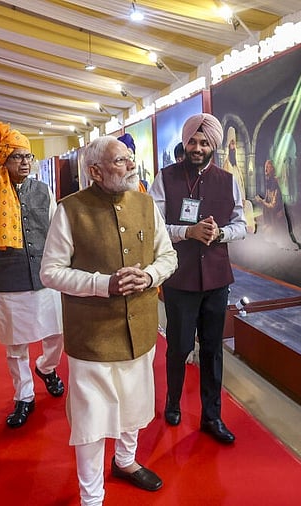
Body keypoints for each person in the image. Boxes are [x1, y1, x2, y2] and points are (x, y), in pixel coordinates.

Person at [40, 135, 176, 506]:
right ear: (95, 171)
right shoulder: (70, 210)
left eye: (130, 158)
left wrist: (149, 277)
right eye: (121, 160)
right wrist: (103, 284)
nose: (131, 165)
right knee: (91, 421)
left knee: (134, 405)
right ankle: (91, 498)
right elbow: (50, 272)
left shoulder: (147, 204)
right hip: (92, 336)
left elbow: (168, 256)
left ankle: (126, 461)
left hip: (141, 329)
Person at [148, 113, 247, 444]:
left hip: (217, 279)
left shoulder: (228, 180)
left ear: (213, 146)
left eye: (204, 143)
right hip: (180, 278)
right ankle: (173, 403)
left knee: (212, 350)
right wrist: (187, 231)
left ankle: (211, 415)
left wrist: (219, 234)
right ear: (185, 142)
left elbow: (241, 225)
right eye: (193, 141)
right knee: (177, 347)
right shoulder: (165, 179)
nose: (197, 147)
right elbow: (153, 227)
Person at [0, 122, 65, 429]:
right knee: (15, 345)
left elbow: (58, 234)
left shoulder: (44, 190)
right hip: (8, 282)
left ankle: (46, 368)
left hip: (46, 278)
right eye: (17, 157)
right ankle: (24, 396)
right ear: (3, 161)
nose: (24, 162)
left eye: (28, 157)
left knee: (57, 335)